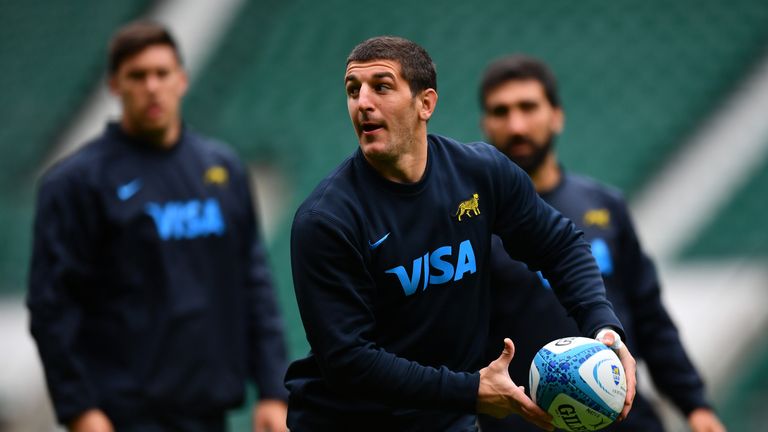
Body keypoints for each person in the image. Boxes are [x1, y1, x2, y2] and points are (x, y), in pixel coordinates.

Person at [284, 36, 637, 431]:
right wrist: (470, 390)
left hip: (448, 421)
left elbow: (559, 245)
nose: (363, 102)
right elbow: (349, 362)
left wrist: (603, 327)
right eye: (353, 90)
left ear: (426, 103)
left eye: (381, 87)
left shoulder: (480, 172)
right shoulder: (326, 219)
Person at [27, 20, 289, 432]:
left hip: (209, 410)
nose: (152, 87)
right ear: (115, 85)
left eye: (162, 74)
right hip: (122, 416)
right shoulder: (75, 184)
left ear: (181, 80)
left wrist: (274, 389)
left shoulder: (221, 168)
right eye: (137, 76)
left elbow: (252, 284)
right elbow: (52, 308)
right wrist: (79, 408)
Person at [476, 55, 726, 432]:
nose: (517, 125)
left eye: (528, 107)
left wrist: (695, 405)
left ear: (556, 115)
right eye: (501, 111)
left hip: (623, 416)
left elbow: (649, 316)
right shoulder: (471, 221)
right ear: (486, 124)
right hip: (526, 422)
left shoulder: (604, 205)